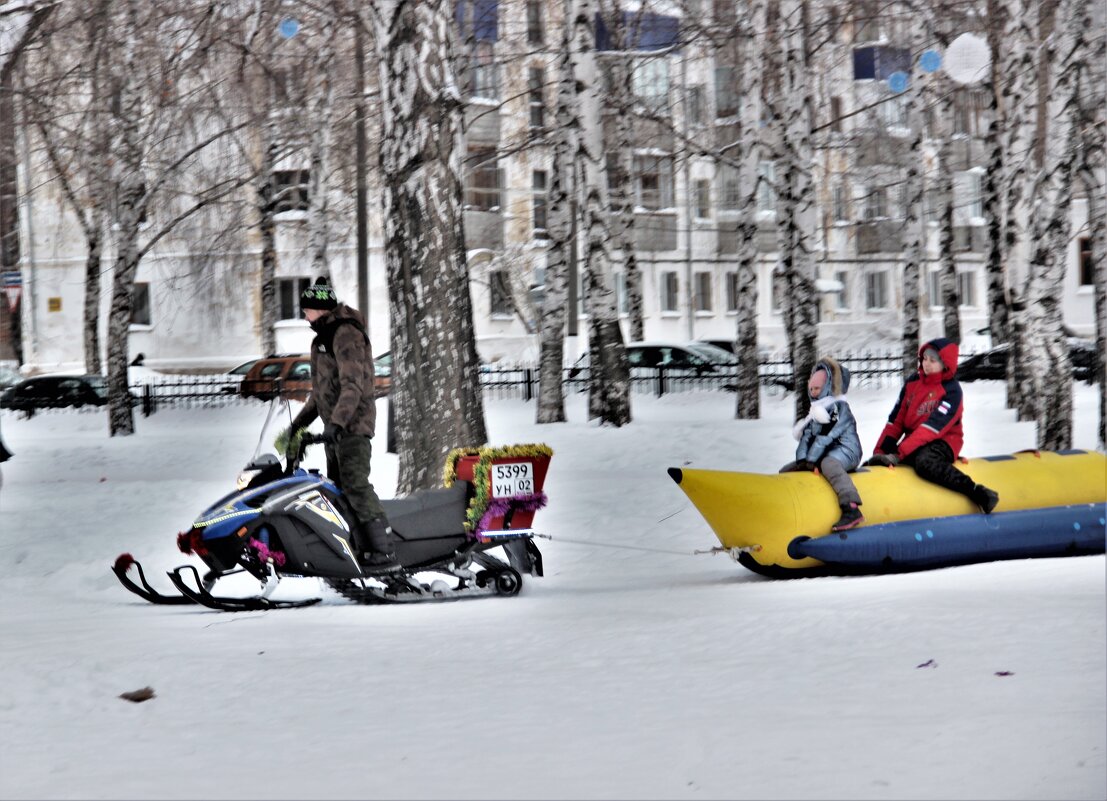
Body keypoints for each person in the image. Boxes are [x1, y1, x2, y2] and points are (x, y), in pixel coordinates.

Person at [284, 277, 400, 573]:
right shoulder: (322, 338)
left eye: (307, 310)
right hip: (334, 431)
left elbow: (354, 386)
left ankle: (384, 551)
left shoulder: (345, 333)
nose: (305, 316)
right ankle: (354, 548)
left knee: (356, 485)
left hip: (353, 425)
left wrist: (337, 423)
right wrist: (297, 427)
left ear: (320, 309)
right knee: (337, 490)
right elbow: (321, 393)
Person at [866, 338, 999, 513]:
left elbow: (932, 428)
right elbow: (895, 422)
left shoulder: (952, 390)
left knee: (925, 462)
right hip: (914, 443)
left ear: (945, 364)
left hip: (944, 441)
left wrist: (899, 454)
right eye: (924, 359)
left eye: (932, 360)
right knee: (877, 463)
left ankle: (977, 492)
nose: (926, 364)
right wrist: (881, 453)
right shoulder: (912, 383)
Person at [780, 356, 865, 532]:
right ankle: (787, 507)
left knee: (829, 464)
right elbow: (807, 437)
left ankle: (851, 507)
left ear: (828, 387)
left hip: (846, 450)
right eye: (811, 388)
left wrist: (812, 461)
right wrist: (802, 461)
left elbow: (827, 436)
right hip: (825, 451)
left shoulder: (839, 408)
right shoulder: (816, 411)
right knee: (788, 469)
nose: (813, 392)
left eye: (817, 388)